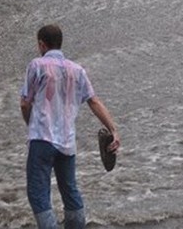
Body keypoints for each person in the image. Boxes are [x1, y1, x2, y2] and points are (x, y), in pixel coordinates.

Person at [20, 24, 120, 229]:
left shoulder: (37, 65)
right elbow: (94, 101)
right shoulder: (77, 70)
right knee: (69, 190)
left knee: (38, 193)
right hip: (67, 142)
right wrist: (113, 130)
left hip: (42, 138)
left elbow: (24, 102)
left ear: (41, 44)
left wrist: (30, 123)